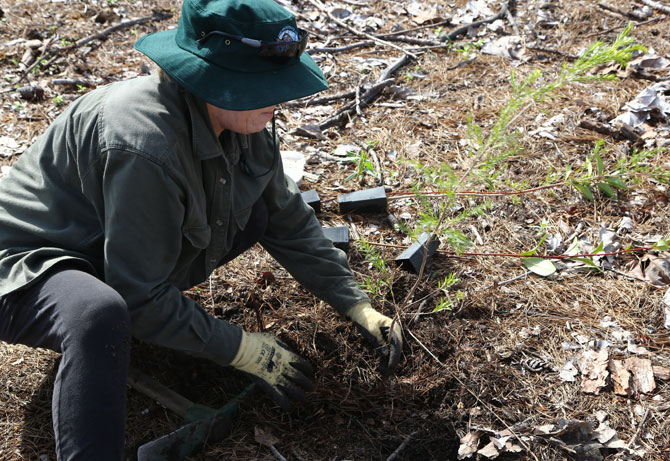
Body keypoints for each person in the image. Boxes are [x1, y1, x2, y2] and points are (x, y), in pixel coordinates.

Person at [0, 0, 403, 459]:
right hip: (26, 266)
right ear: (213, 80)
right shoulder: (145, 146)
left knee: (255, 215)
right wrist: (241, 349)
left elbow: (288, 216)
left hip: (108, 250)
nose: (280, 99)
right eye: (263, 86)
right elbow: (139, 295)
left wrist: (355, 303)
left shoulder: (243, 120)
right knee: (99, 314)